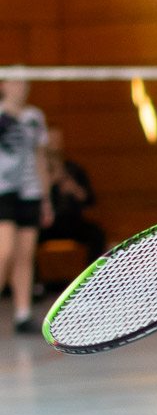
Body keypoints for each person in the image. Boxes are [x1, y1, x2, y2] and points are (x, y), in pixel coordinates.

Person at [0, 79, 53, 334]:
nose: (21, 88)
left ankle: (23, 314)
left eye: (25, 83)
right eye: (16, 83)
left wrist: (46, 198)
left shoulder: (35, 116)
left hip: (29, 190)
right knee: (4, 251)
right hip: (2, 190)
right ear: (4, 85)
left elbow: (40, 156)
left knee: (25, 254)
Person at [38, 128, 106, 265]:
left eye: (57, 141)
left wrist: (74, 188)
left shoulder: (73, 169)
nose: (54, 145)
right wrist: (49, 183)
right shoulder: (37, 172)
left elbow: (90, 200)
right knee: (26, 236)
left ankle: (93, 274)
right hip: (46, 223)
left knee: (97, 233)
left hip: (72, 221)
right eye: (51, 141)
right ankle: (32, 277)